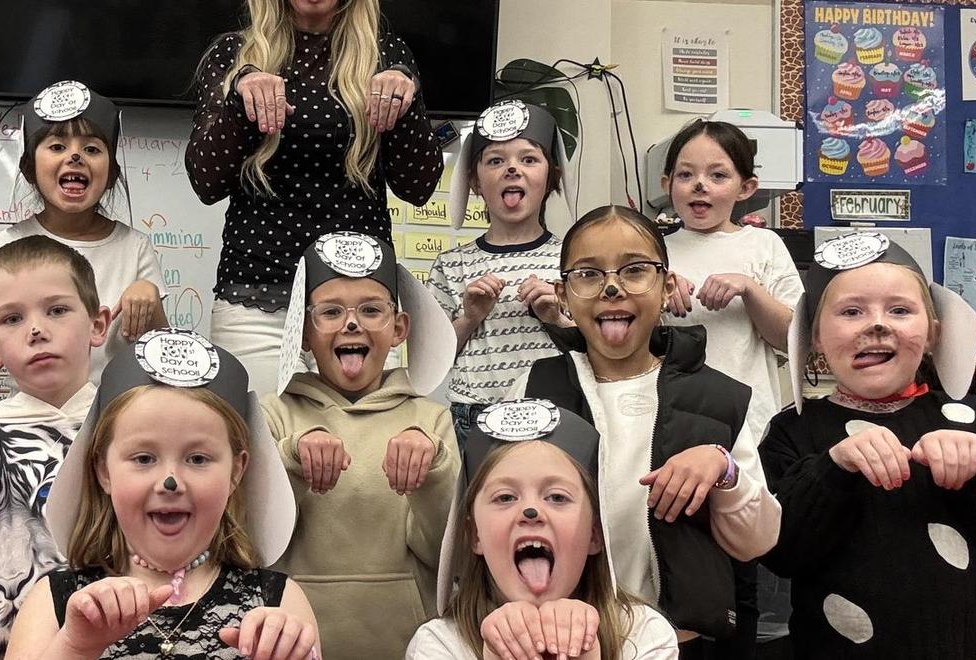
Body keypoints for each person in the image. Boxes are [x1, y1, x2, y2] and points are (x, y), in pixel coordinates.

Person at [759, 232, 976, 658]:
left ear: (934, 334)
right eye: (851, 311)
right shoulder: (795, 430)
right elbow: (779, 550)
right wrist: (832, 469)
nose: (876, 324)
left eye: (899, 310)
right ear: (816, 338)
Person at [514, 206, 781, 650]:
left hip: (677, 637)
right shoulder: (533, 390)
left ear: (667, 287)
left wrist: (724, 471)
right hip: (563, 635)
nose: (612, 288)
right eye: (588, 274)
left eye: (636, 270)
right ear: (562, 295)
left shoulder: (716, 399)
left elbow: (758, 540)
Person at [8, 329, 319, 660]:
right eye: (144, 459)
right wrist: (76, 645)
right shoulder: (55, 603)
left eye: (197, 459)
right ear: (103, 470)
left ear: (236, 471)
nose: (170, 482)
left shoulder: (279, 603)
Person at [186, 0, 444, 394]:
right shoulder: (233, 54)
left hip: (359, 302)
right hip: (258, 302)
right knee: (259, 445)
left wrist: (403, 104)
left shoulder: (386, 54)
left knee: (364, 448)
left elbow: (419, 186)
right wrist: (241, 99)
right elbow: (206, 182)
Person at [264, 231, 458, 657]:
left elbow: (447, 553)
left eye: (371, 310)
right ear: (302, 333)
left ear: (399, 327)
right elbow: (254, 538)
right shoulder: (272, 416)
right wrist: (290, 456)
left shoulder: (431, 421)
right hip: (295, 642)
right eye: (330, 312)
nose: (352, 323)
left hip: (404, 642)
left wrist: (433, 473)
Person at [655, 118, 802, 659]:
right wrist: (654, 292)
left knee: (755, 570)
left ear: (745, 188)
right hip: (674, 433)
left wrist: (748, 288)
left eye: (718, 175)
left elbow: (794, 336)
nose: (700, 186)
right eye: (687, 174)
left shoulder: (764, 245)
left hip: (753, 434)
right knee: (688, 566)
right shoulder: (654, 248)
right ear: (668, 183)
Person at [0, 236, 110, 659]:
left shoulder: (127, 433)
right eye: (12, 318)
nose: (36, 329)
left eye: (57, 310)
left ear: (98, 325)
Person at [410, 399, 679, 660]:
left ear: (595, 534)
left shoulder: (643, 635)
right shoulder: (440, 645)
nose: (531, 512)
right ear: (474, 534)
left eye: (557, 497)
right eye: (505, 497)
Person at [0, 81, 167, 381]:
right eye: (57, 146)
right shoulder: (7, 245)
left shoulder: (134, 248)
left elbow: (163, 352)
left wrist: (149, 297)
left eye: (91, 148)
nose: (75, 157)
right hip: (35, 416)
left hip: (112, 416)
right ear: (28, 169)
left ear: (111, 174)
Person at [431, 100, 572, 437]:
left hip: (555, 409)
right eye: (495, 160)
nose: (512, 169)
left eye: (529, 159)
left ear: (551, 178)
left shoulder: (575, 261)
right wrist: (469, 318)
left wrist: (557, 319)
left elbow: (596, 348)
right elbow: (433, 360)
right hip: (473, 415)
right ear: (475, 183)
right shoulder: (451, 265)